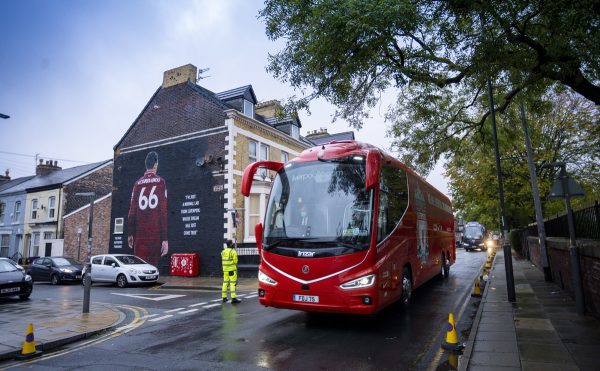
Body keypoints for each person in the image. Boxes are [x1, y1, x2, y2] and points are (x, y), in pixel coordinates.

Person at [127, 151, 169, 267]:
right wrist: (165, 239)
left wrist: (130, 233)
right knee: (152, 269)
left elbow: (131, 212)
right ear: (155, 165)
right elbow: (163, 212)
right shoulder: (161, 182)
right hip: (155, 236)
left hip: (140, 237)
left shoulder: (137, 184)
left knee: (139, 268)